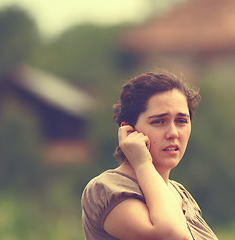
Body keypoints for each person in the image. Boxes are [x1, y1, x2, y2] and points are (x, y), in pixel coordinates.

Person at [81, 71, 218, 240]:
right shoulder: (108, 188)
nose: (173, 133)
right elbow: (171, 235)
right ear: (129, 130)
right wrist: (142, 164)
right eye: (159, 121)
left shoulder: (180, 194)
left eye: (181, 121)